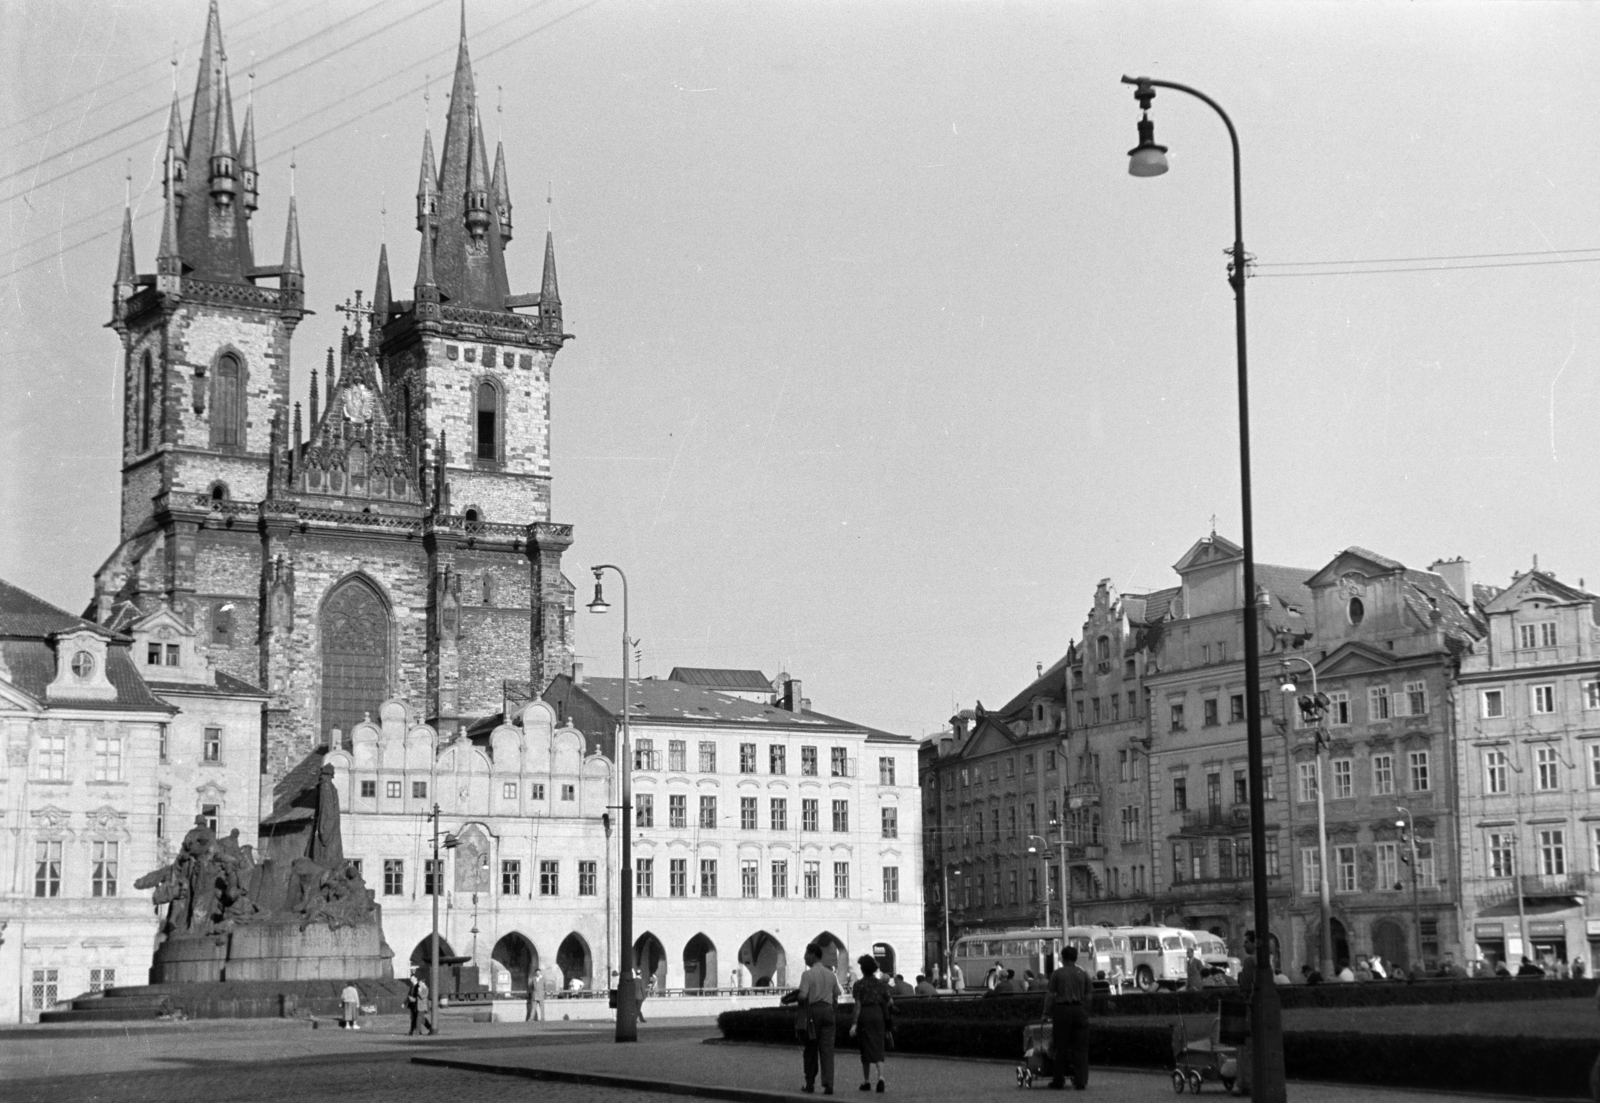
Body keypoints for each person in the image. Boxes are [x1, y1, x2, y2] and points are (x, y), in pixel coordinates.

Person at [781, 942, 843, 1095]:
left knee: (810, 1049)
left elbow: (802, 996)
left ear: (812, 955)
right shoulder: (831, 974)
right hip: (828, 1011)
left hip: (813, 1012)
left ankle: (810, 1083)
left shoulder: (807, 974)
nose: (804, 957)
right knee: (827, 1050)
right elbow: (837, 993)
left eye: (806, 954)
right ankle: (829, 1084)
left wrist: (797, 997)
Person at [1046, 945, 1091, 1091]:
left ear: (1062, 958)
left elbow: (1051, 996)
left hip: (1062, 1011)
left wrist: (1046, 1013)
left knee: (1061, 1047)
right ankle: (1081, 1081)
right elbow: (1089, 996)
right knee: (1080, 1049)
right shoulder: (1082, 973)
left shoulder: (1057, 974)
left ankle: (1058, 1081)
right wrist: (1085, 1011)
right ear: (1076, 958)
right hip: (1079, 1010)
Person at [849, 954, 894, 1093]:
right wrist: (881, 1006)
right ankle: (880, 1077)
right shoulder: (881, 984)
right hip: (878, 1014)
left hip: (865, 1015)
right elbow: (890, 1001)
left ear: (862, 969)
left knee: (865, 1047)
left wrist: (854, 1024)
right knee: (879, 1046)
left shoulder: (858, 984)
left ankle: (866, 1081)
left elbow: (857, 1006)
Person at [1232, 930, 1261, 1098]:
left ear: (1253, 943)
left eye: (1246, 942)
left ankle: (1243, 1082)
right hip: (1260, 1006)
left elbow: (1244, 985)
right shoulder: (1264, 960)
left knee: (1244, 1045)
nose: (1244, 945)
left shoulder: (1249, 961)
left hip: (1249, 1007)